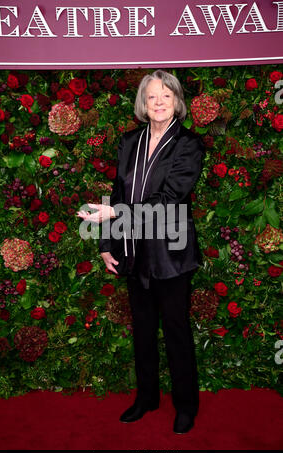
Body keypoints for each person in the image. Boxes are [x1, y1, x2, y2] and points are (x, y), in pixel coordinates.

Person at [76, 69, 205, 434]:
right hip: (132, 251)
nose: (159, 102)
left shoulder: (189, 145)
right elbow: (117, 194)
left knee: (177, 332)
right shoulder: (129, 141)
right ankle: (146, 397)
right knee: (143, 331)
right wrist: (106, 243)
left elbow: (167, 201)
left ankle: (186, 405)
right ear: (143, 105)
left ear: (177, 102)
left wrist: (115, 214)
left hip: (171, 254)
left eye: (167, 95)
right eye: (152, 97)